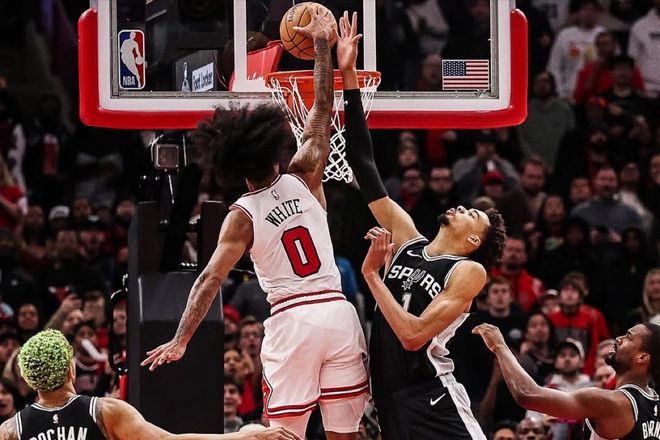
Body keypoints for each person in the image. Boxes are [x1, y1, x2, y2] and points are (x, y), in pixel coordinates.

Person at [142, 9, 368, 440]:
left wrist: (181, 339)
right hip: (339, 313)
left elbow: (209, 279)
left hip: (292, 320)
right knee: (346, 435)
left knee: (281, 434)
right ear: (274, 152)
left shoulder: (242, 215)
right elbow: (322, 108)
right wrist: (323, 47)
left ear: (232, 167)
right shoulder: (305, 174)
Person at [339, 12, 506, 439]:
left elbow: (413, 337)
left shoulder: (468, 270)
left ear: (474, 239)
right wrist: (348, 77)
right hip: (390, 402)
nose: (464, 208)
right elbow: (363, 164)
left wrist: (372, 276)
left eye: (474, 215)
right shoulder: (408, 239)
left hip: (432, 398)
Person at [0, 330, 297, 439]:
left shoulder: (11, 430)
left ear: (28, 378)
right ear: (70, 370)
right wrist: (246, 438)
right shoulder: (104, 412)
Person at [473, 322, 660, 440]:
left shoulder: (614, 403)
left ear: (642, 358)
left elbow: (527, 394)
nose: (618, 339)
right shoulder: (655, 403)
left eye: (628, 337)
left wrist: (499, 346)